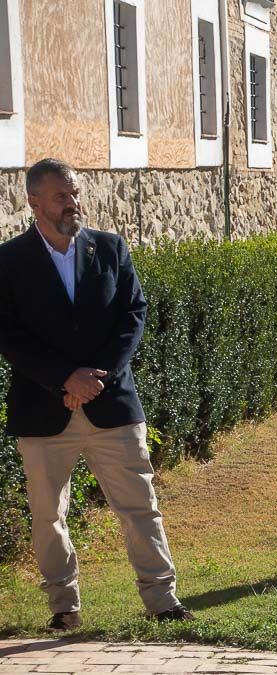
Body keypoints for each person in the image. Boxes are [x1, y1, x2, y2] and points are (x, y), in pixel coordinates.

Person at [0, 158, 193, 630]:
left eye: (75, 193)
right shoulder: (8, 261)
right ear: (34, 201)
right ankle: (64, 607)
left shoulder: (109, 248)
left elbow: (133, 314)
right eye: (62, 195)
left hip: (112, 405)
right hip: (44, 410)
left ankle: (163, 601)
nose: (73, 202)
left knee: (140, 506)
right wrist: (65, 378)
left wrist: (97, 376)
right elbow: (8, 334)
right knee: (48, 516)